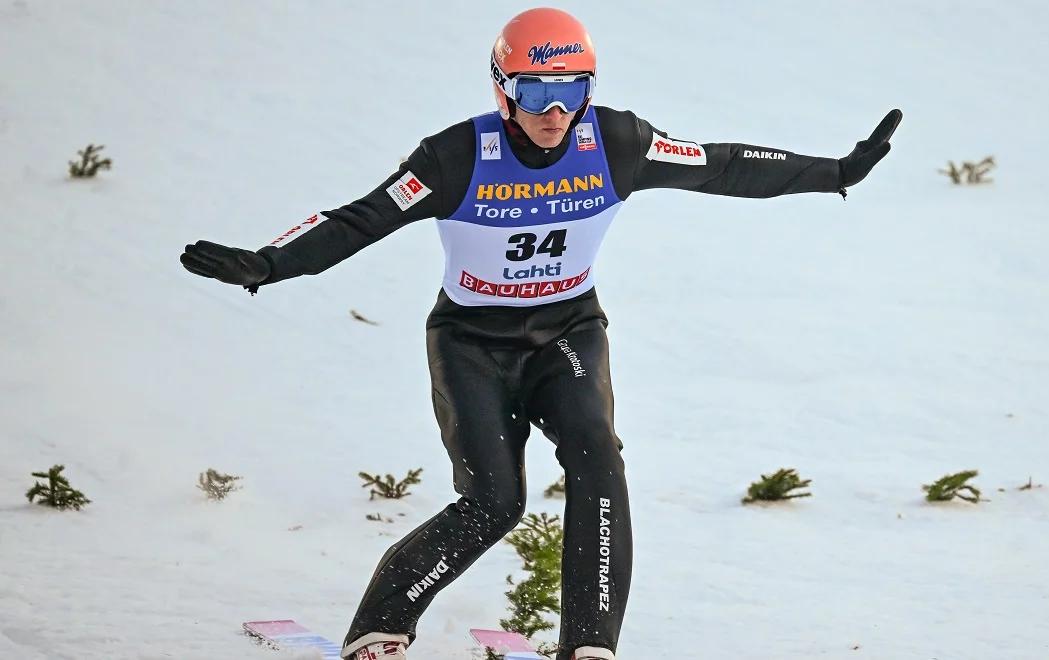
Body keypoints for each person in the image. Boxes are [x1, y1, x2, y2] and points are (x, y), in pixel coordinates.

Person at [180, 7, 901, 660]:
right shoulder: (455, 157)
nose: (555, 111)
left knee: (599, 457)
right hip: (470, 343)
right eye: (533, 93)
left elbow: (722, 166)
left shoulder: (617, 141)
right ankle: (381, 627)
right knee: (494, 501)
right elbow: (359, 219)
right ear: (502, 90)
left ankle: (590, 647)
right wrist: (269, 264)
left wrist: (835, 171)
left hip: (567, 334)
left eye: (571, 90)